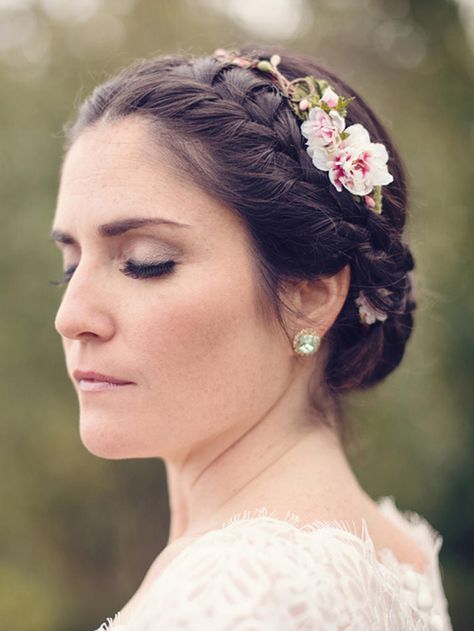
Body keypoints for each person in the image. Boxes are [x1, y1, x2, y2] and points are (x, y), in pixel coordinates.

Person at [50, 45, 453, 630]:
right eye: (70, 264)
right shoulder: (392, 546)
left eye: (145, 261)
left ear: (309, 295)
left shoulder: (245, 598)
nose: (71, 316)